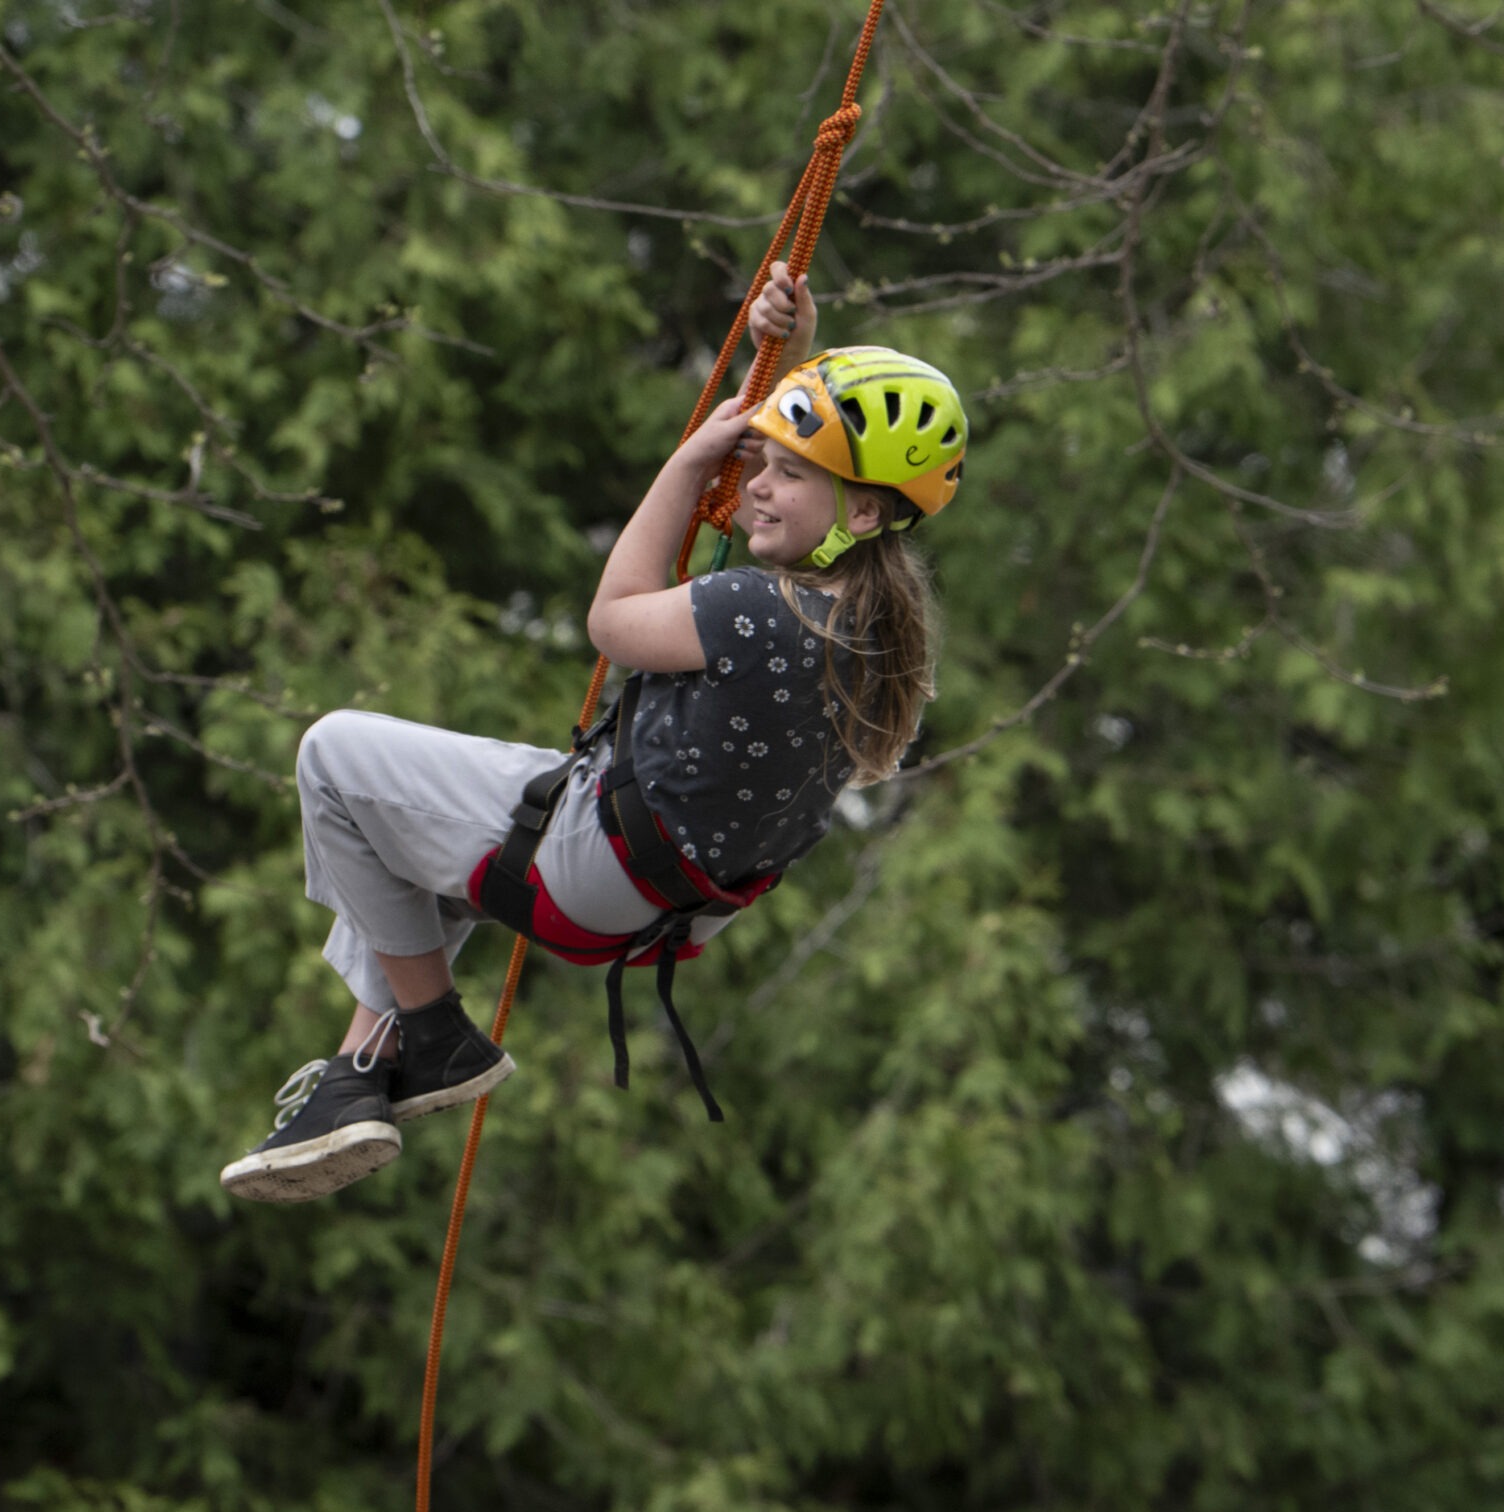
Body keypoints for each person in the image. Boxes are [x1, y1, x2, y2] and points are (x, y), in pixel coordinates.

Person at [222, 264, 968, 1203]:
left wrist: (688, 463)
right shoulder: (873, 643)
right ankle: (358, 1072)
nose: (758, 488)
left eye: (789, 475)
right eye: (763, 462)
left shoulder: (756, 610)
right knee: (406, 833)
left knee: (332, 757)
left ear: (860, 512)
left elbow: (612, 619)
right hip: (664, 909)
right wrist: (791, 356)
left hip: (594, 860)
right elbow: (809, 482)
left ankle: (434, 1034)